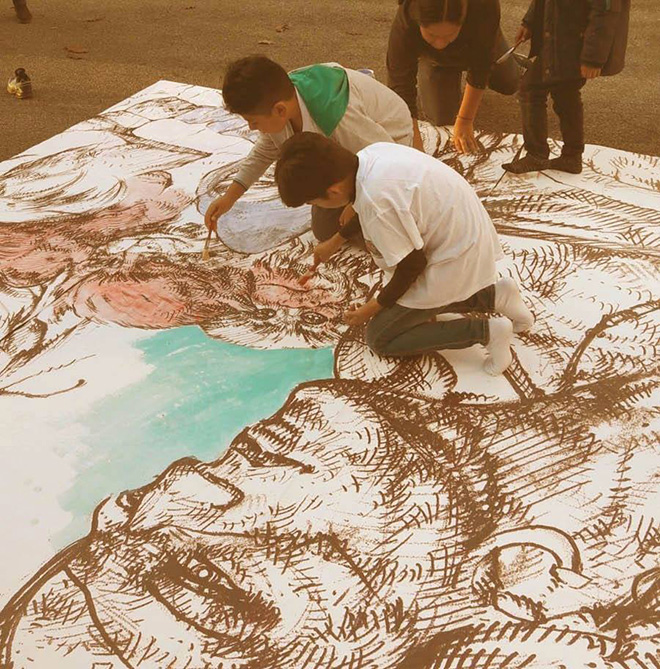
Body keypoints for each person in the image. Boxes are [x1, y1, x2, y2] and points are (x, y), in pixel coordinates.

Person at [275, 132, 534, 375]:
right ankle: (496, 295)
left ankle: (488, 332)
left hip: (453, 258)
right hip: (465, 239)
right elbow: (366, 208)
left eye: (313, 202)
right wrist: (335, 241)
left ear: (332, 192)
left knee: (381, 336)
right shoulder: (369, 156)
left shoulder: (378, 202)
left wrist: (374, 306)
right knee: (409, 302)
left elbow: (412, 265)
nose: (315, 208)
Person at [205, 55, 415, 242]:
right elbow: (264, 151)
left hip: (390, 144)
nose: (251, 128)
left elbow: (385, 158)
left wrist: (357, 204)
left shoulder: (339, 118)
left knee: (363, 227)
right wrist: (229, 197)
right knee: (324, 227)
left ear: (279, 110)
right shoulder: (281, 102)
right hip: (350, 155)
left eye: (253, 121)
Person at [502, 0, 630, 175]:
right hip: (559, 36)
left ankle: (539, 154)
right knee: (565, 94)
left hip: (573, 41)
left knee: (532, 89)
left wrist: (593, 58)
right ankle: (571, 156)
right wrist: (529, 22)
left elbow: (606, 12)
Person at [387, 0, 519, 154]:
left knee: (509, 81)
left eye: (449, 35)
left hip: (477, 40)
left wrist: (465, 119)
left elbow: (481, 66)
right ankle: (440, 66)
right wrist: (414, 144)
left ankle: (509, 59)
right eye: (432, 35)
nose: (440, 44)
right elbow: (400, 83)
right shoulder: (407, 17)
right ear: (418, 21)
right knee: (442, 121)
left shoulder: (484, 6)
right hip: (434, 59)